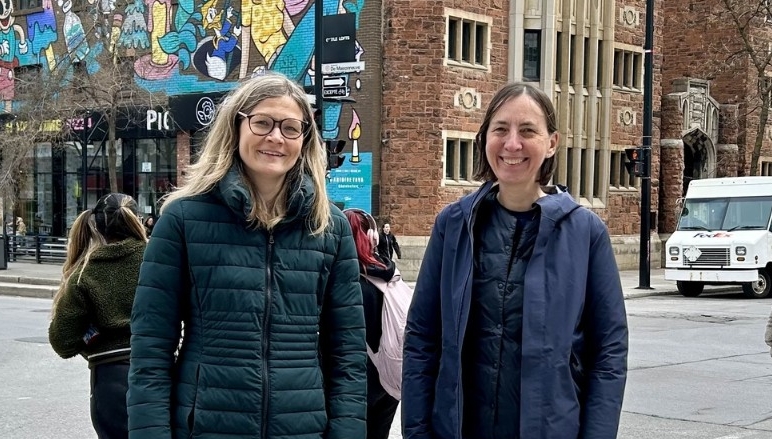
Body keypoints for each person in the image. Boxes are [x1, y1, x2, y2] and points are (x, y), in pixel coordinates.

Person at [127, 73, 367, 439]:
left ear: (304, 140)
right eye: (262, 122)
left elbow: (348, 357)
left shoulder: (328, 227)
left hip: (302, 428)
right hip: (206, 426)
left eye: (291, 128)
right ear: (236, 126)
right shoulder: (183, 219)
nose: (275, 137)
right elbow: (149, 352)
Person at [401, 82, 629, 439]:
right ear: (485, 138)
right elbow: (422, 338)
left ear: (551, 143)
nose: (512, 144)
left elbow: (608, 353)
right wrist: (417, 432)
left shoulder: (585, 232)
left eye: (527, 131)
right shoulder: (454, 224)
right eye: (501, 130)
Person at [48, 193, 148, 439]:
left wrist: (93, 338)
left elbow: (62, 341)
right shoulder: (158, 259)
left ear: (96, 226)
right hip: (162, 370)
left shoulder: (84, 273)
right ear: (139, 221)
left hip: (109, 380)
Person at [343, 208, 400, 439]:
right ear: (373, 238)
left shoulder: (344, 282)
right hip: (387, 379)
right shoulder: (389, 277)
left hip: (352, 384)